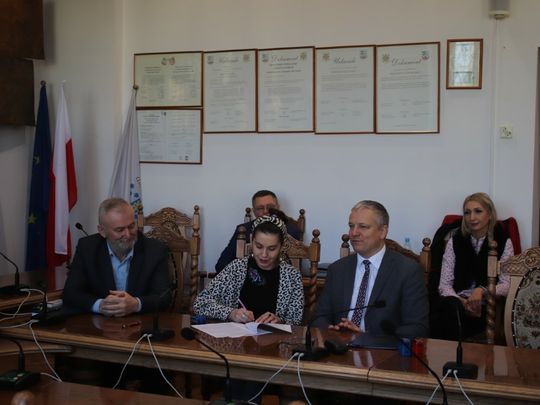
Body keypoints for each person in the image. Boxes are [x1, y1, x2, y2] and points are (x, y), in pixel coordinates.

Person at [312, 200, 429, 338]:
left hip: (381, 349)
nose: (354, 233)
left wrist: (366, 337)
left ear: (383, 231)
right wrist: (331, 330)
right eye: (351, 226)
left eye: (363, 227)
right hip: (339, 346)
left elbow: (417, 328)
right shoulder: (337, 269)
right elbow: (319, 317)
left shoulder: (408, 271)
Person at [63, 198, 172, 316]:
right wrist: (100, 305)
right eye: (119, 230)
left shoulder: (155, 250)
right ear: (102, 231)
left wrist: (136, 304)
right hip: (99, 322)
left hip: (140, 322)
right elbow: (71, 293)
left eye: (131, 226)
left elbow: (164, 297)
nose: (128, 235)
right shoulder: (87, 248)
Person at [194, 210, 304, 325]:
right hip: (236, 334)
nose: (264, 254)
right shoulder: (237, 268)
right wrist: (231, 313)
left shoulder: (292, 276)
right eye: (259, 246)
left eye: (272, 249)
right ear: (252, 242)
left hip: (274, 336)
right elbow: (200, 303)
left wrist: (280, 321)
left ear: (281, 247)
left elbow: (296, 320)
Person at [434, 192, 513, 340]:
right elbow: (444, 286)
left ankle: (455, 351)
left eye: (478, 211)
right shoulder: (455, 241)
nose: (472, 217)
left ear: (490, 214)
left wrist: (482, 291)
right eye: (467, 212)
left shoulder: (503, 241)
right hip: (457, 303)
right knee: (448, 310)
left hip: (485, 307)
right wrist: (463, 302)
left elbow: (506, 285)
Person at [214, 190, 302, 273]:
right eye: (260, 208)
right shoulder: (243, 230)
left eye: (270, 207)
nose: (266, 211)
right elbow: (221, 265)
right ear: (253, 211)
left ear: (278, 207)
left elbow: (294, 267)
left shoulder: (291, 231)